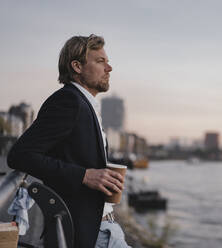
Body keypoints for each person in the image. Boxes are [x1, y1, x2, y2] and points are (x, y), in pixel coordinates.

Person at [7, 34, 131, 248]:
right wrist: (85, 175)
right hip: (91, 235)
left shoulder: (85, 104)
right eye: (100, 61)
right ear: (77, 66)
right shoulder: (68, 101)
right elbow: (20, 155)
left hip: (104, 227)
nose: (109, 68)